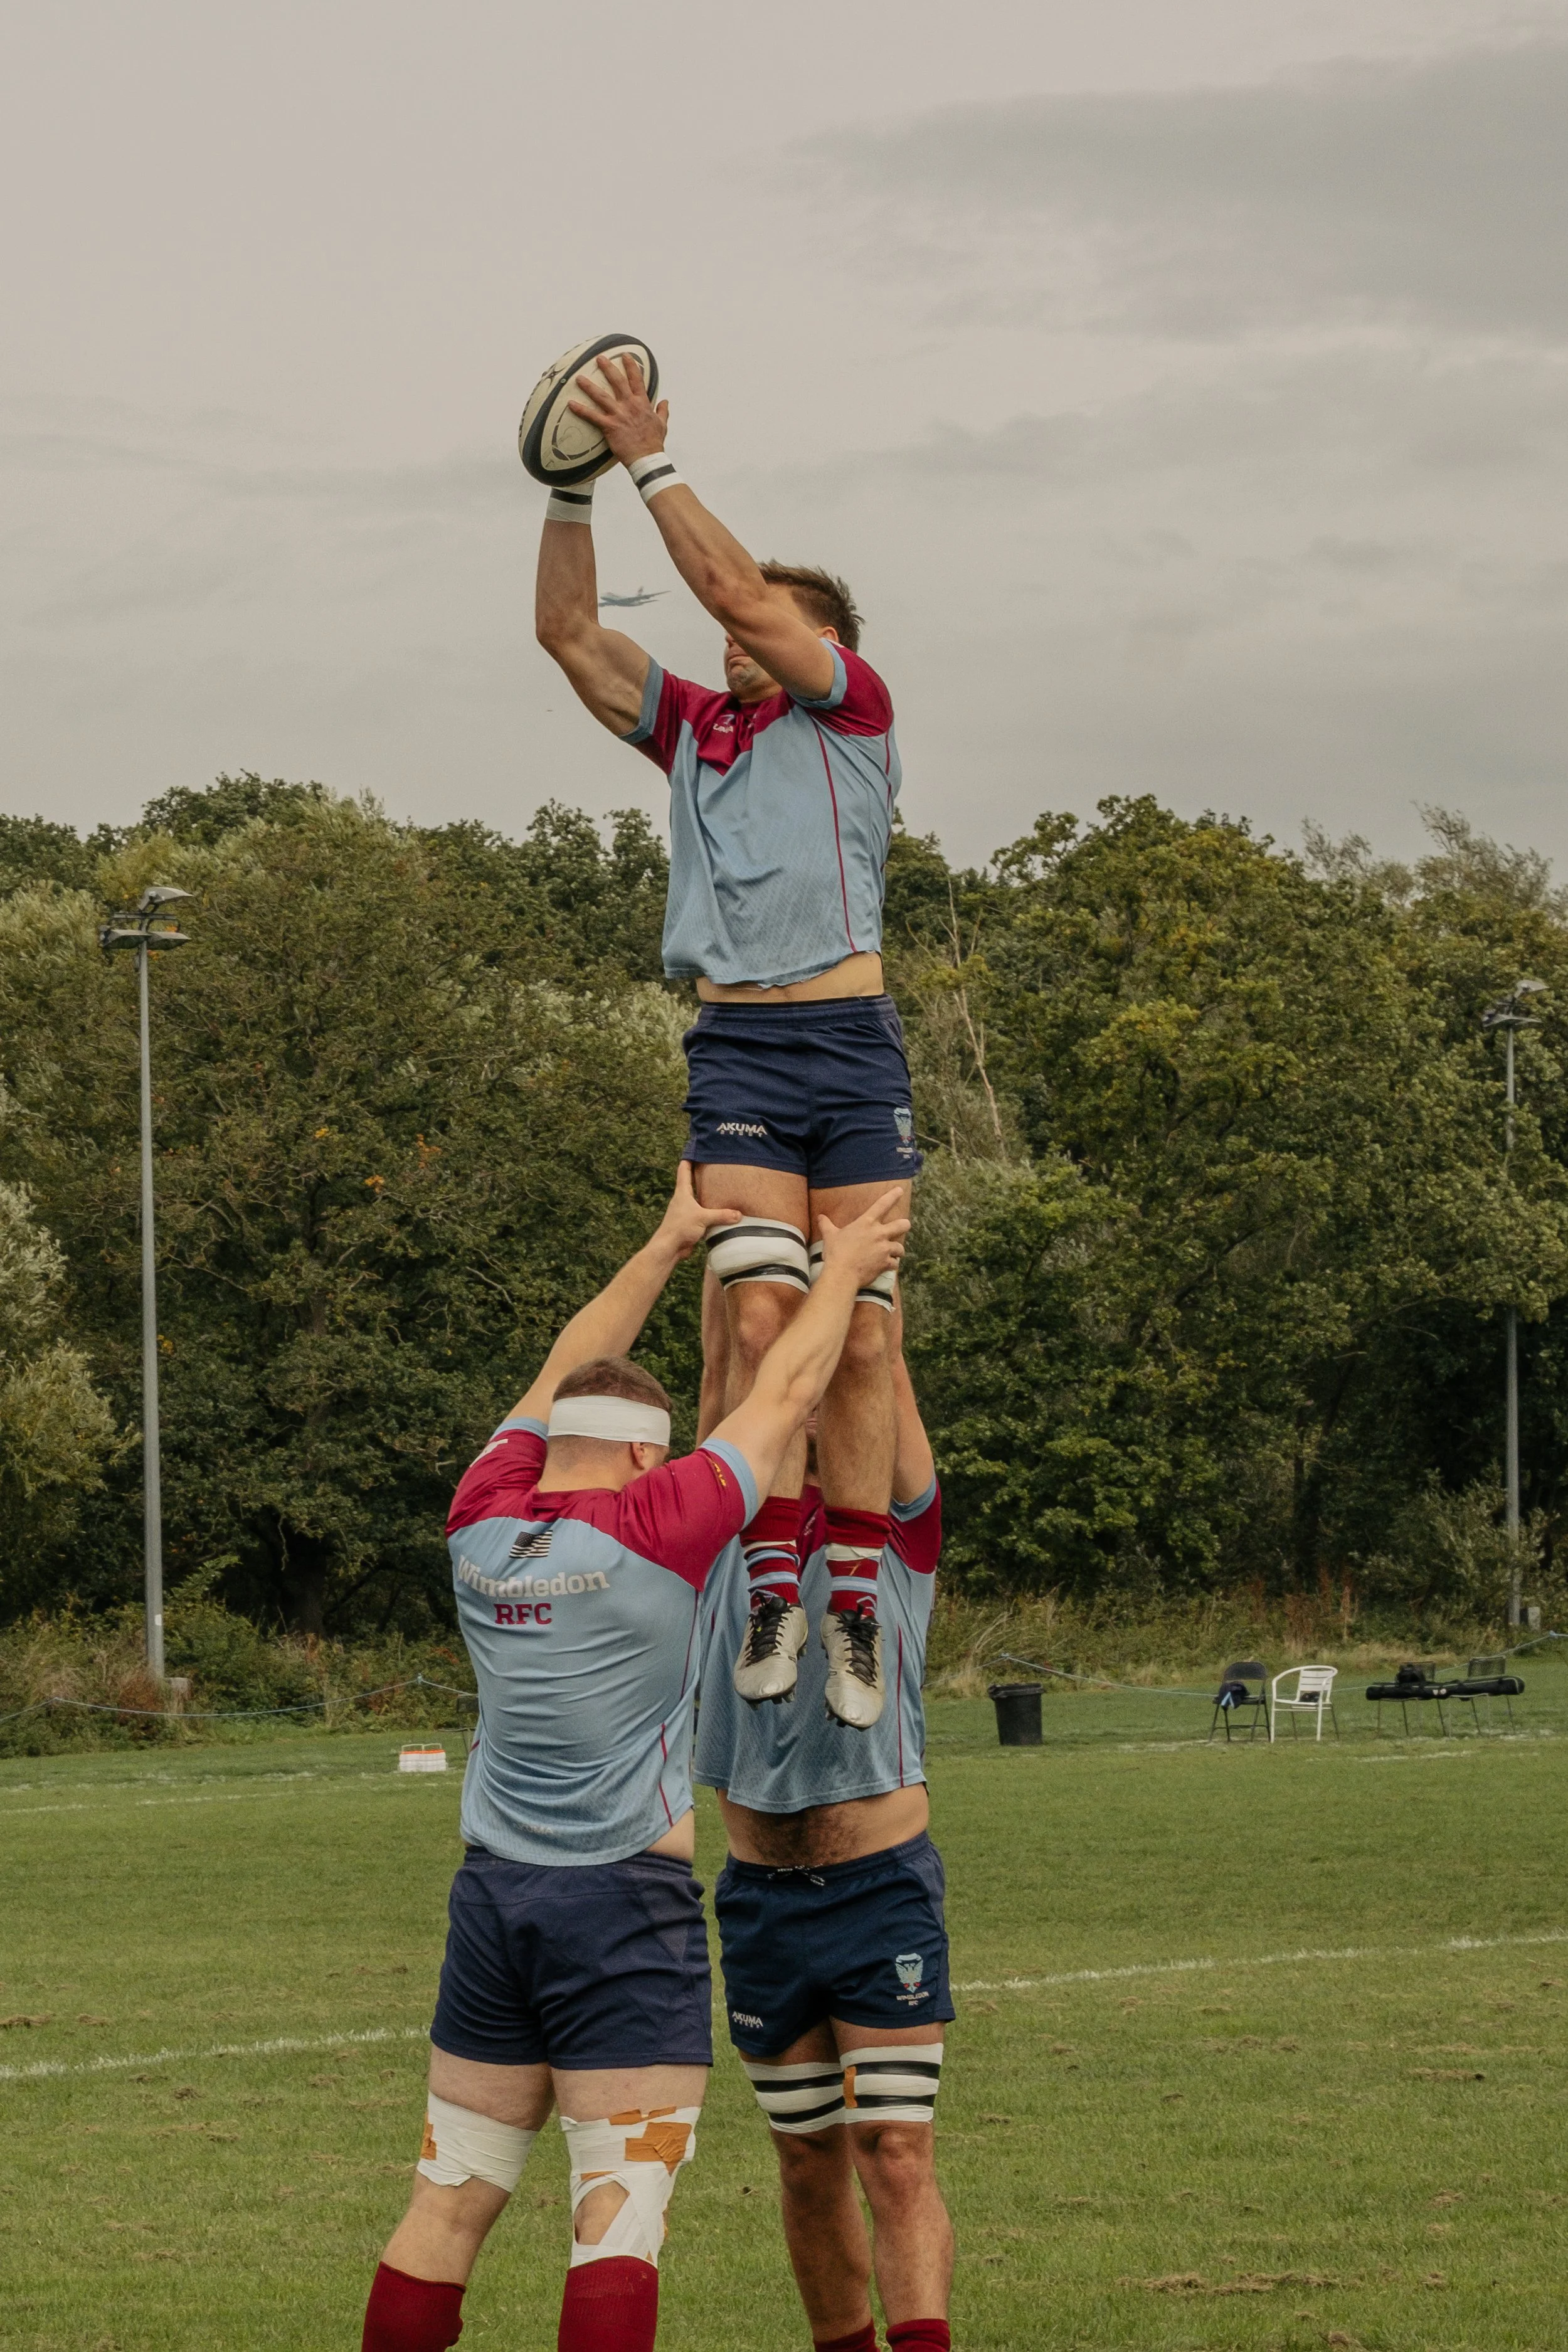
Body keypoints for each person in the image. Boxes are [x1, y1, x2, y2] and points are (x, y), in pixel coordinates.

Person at [360, 1164, 909, 2352]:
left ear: (556, 1441)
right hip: (623, 1910)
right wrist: (852, 1267)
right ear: (647, 1455)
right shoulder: (661, 1527)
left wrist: (664, 1248)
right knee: (617, 2219)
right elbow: (794, 1387)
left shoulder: (481, 1515)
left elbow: (563, 1369)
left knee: (447, 2201)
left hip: (492, 1903)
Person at [534, 353, 919, 1730]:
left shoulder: (849, 713)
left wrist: (648, 456)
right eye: (737, 636)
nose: (735, 641)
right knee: (757, 1318)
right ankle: (768, 1580)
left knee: (863, 1347)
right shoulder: (696, 730)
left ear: (825, 651)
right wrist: (568, 485)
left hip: (853, 1050)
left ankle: (855, 1603)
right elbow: (571, 636)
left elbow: (732, 590)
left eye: (768, 629)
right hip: (738, 1059)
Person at [692, 1285, 955, 2352]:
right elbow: (723, 1360)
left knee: (895, 2148)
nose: (800, 1413)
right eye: (782, 1404)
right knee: (806, 2160)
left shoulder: (892, 1543)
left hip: (878, 1888)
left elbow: (875, 1360)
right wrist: (726, 1246)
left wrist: (854, 1252)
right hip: (760, 1900)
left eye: (814, 1404)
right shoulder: (715, 1545)